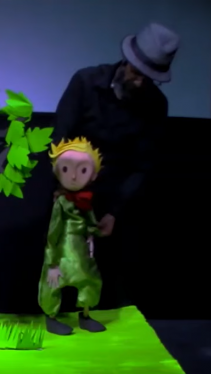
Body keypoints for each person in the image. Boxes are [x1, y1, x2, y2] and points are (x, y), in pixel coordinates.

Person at [51, 22, 180, 309]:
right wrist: (67, 192)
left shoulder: (156, 105)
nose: (140, 83)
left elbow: (142, 165)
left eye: (150, 78)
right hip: (69, 190)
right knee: (62, 270)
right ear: (126, 61)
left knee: (110, 284)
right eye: (137, 73)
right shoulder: (86, 82)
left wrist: (114, 212)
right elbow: (60, 139)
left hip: (115, 201)